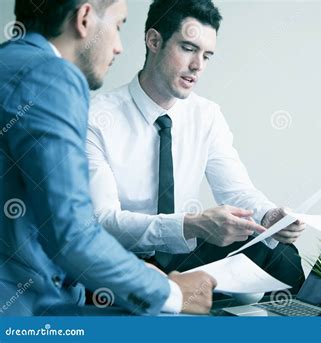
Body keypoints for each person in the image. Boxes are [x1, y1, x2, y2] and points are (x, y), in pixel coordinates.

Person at [0, 0, 215, 316]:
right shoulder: (51, 75)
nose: (118, 48)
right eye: (118, 26)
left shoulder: (10, 61)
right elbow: (72, 235)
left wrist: (136, 274)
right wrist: (171, 293)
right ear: (84, 18)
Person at [87, 0, 305, 291]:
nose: (197, 66)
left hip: (183, 254)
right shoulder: (95, 117)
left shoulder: (207, 114)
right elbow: (104, 221)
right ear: (154, 41)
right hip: (122, 260)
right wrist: (190, 225)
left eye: (207, 55)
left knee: (280, 255)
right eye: (188, 48)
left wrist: (269, 216)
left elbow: (237, 190)